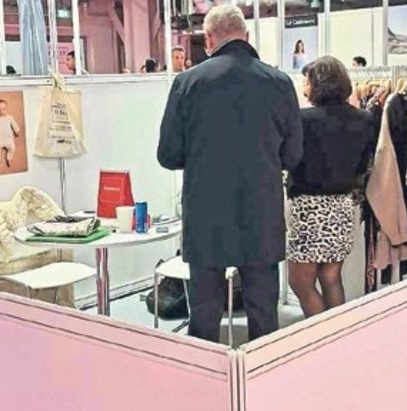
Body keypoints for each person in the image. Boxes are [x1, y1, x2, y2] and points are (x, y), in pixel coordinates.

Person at [158, 4, 303, 343]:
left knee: (204, 318)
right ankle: (262, 374)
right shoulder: (280, 83)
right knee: (264, 316)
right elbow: (293, 155)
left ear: (209, 38)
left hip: (206, 215)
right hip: (261, 214)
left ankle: (204, 376)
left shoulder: (186, 83)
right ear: (246, 36)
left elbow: (168, 155)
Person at [286, 56, 376, 317]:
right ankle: (338, 335)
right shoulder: (365, 119)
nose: (304, 86)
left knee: (300, 281)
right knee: (331, 277)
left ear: (317, 84)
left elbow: (290, 159)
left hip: (309, 208)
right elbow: (364, 163)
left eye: (306, 81)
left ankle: (321, 335)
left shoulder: (302, 119)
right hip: (343, 205)